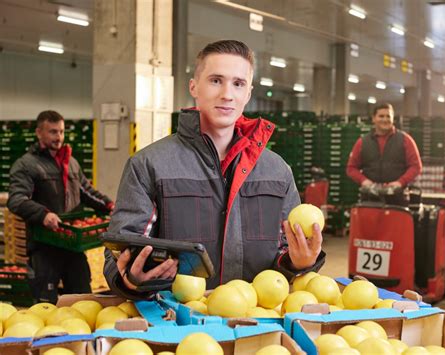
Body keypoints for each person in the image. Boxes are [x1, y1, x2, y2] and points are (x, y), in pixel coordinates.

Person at [104, 40, 326, 300]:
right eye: (216, 80)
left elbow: (284, 254)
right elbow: (120, 251)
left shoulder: (277, 171)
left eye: (238, 83)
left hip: (257, 328)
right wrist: (131, 279)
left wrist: (297, 262)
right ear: (194, 86)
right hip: (176, 324)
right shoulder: (149, 165)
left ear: (248, 93)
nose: (227, 94)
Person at [7, 110, 114, 303]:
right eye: (53, 132)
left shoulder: (70, 162)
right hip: (45, 247)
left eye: (61, 132)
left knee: (83, 300)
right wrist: (44, 215)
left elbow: (87, 192)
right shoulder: (26, 165)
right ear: (39, 133)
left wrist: (111, 206)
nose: (59, 137)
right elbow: (17, 200)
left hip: (73, 246)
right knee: (45, 303)